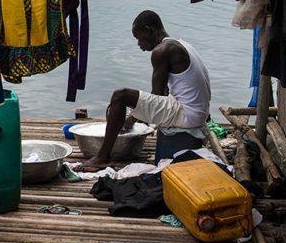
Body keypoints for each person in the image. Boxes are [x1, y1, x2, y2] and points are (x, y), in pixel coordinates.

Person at [82, 10, 211, 167]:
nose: (139, 45)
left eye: (139, 39)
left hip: (188, 115)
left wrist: (131, 118)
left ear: (148, 31)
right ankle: (105, 153)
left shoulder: (161, 51)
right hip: (198, 113)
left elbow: (156, 96)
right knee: (126, 101)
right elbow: (161, 96)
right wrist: (134, 116)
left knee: (119, 96)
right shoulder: (181, 44)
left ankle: (102, 157)